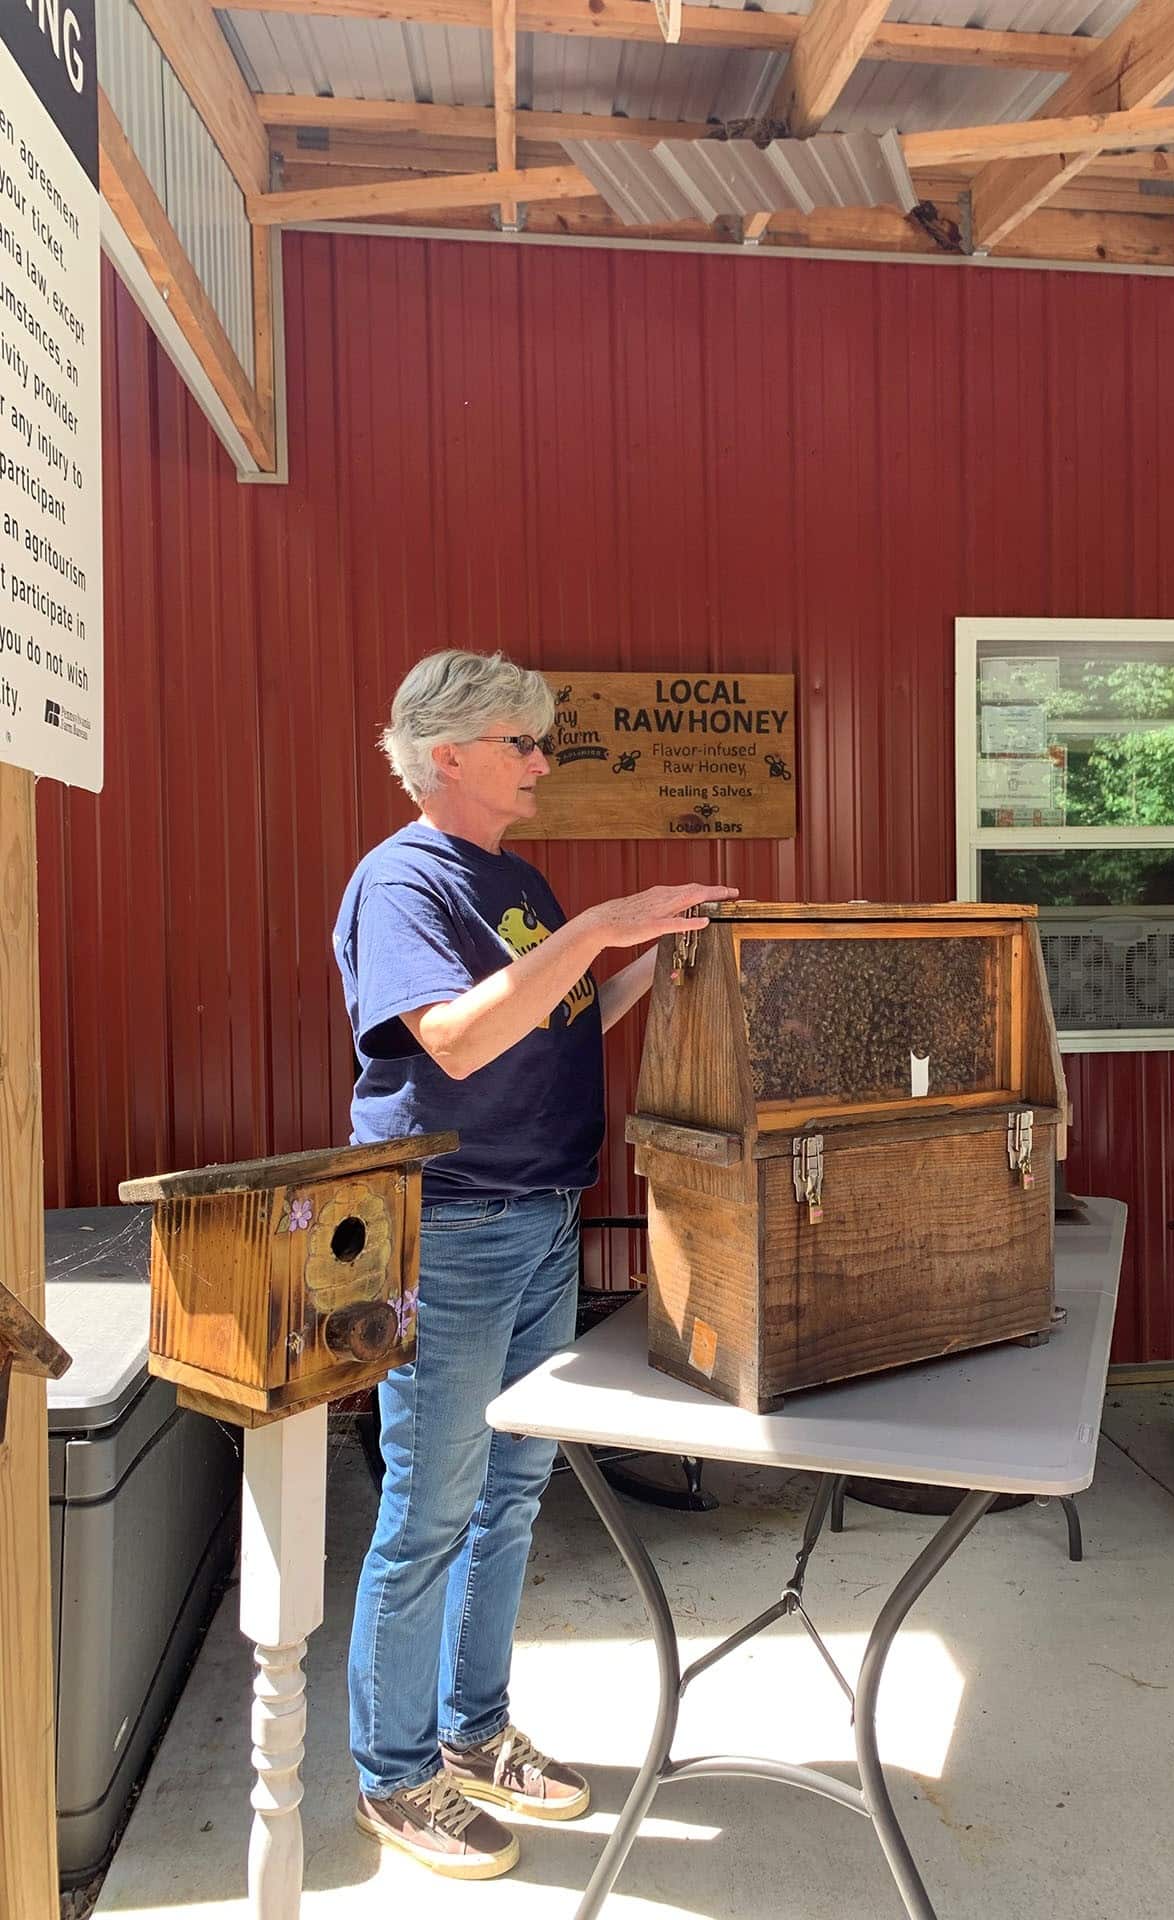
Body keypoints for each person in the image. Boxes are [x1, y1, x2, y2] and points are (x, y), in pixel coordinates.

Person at [332, 649, 735, 1880]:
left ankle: (474, 1733)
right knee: (430, 1508)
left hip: (543, 1213)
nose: (543, 763)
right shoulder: (399, 880)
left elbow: (549, 1015)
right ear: (446, 751)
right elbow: (453, 1040)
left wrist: (637, 967)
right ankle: (395, 1777)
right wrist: (604, 926)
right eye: (524, 741)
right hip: (449, 1223)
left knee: (512, 1494)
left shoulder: (514, 877)